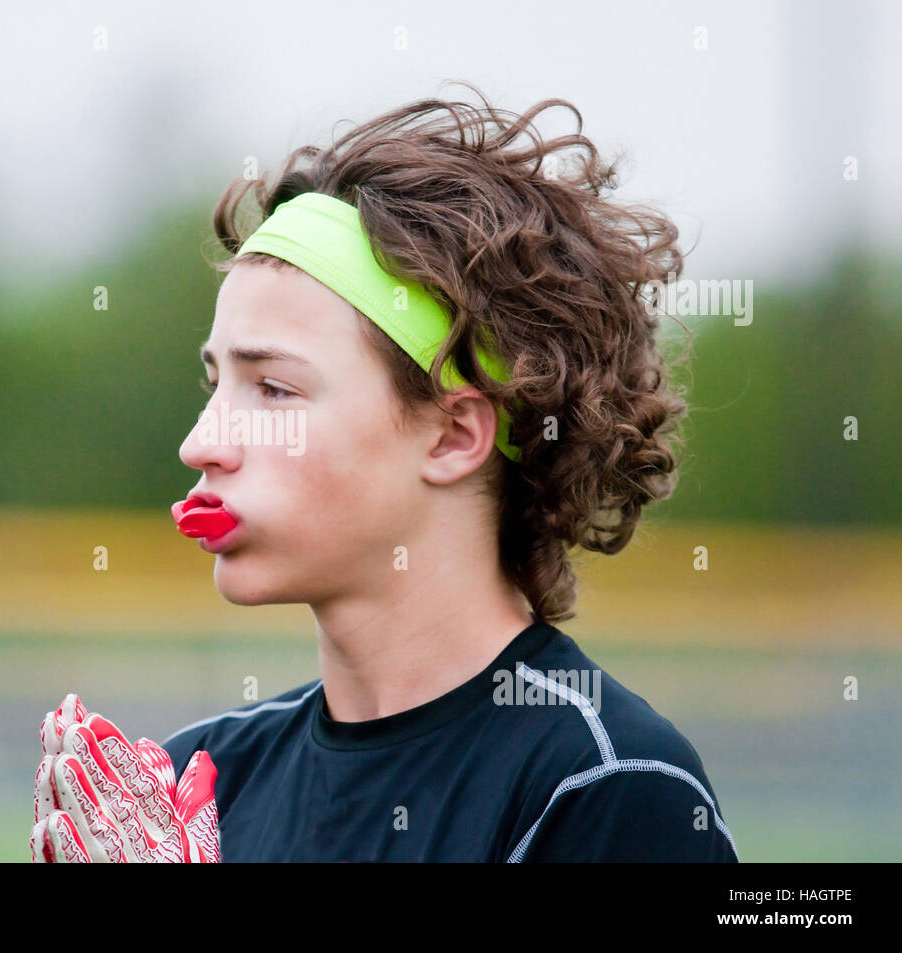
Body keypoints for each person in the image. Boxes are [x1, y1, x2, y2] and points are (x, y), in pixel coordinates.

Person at [39, 81, 738, 862]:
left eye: (273, 388)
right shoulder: (197, 786)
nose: (202, 443)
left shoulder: (607, 785)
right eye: (216, 384)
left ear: (452, 435)